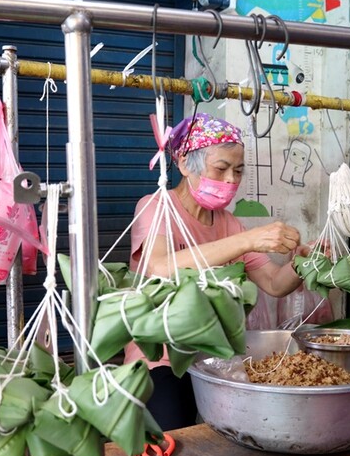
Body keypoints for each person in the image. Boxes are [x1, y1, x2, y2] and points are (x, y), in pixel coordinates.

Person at [124, 112, 309, 430]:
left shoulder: (229, 224)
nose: (230, 181)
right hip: (160, 359)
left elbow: (274, 283)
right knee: (175, 436)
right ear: (184, 164)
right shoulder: (155, 207)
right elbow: (159, 268)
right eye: (221, 169)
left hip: (211, 361)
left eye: (237, 171)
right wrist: (249, 239)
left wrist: (305, 263)